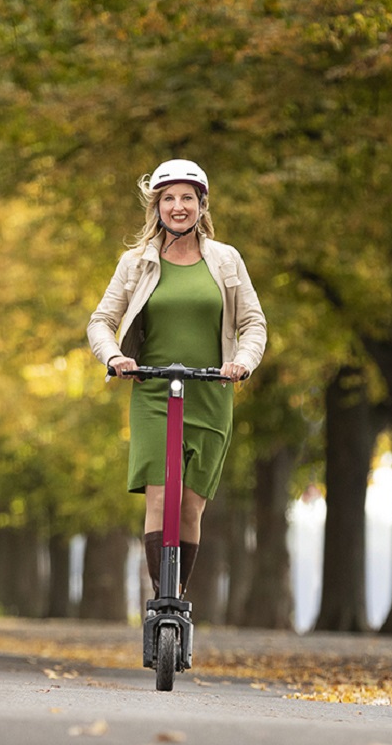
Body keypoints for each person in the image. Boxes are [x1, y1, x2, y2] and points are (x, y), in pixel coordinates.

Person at [86, 159, 267, 595]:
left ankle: (178, 596)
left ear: (202, 205)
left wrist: (242, 361)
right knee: (161, 497)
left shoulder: (226, 260)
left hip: (210, 391)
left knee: (189, 508)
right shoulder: (136, 263)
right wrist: (114, 358)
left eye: (187, 197)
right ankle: (161, 597)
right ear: (157, 207)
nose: (178, 206)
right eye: (169, 198)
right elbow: (100, 321)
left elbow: (254, 323)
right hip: (152, 391)